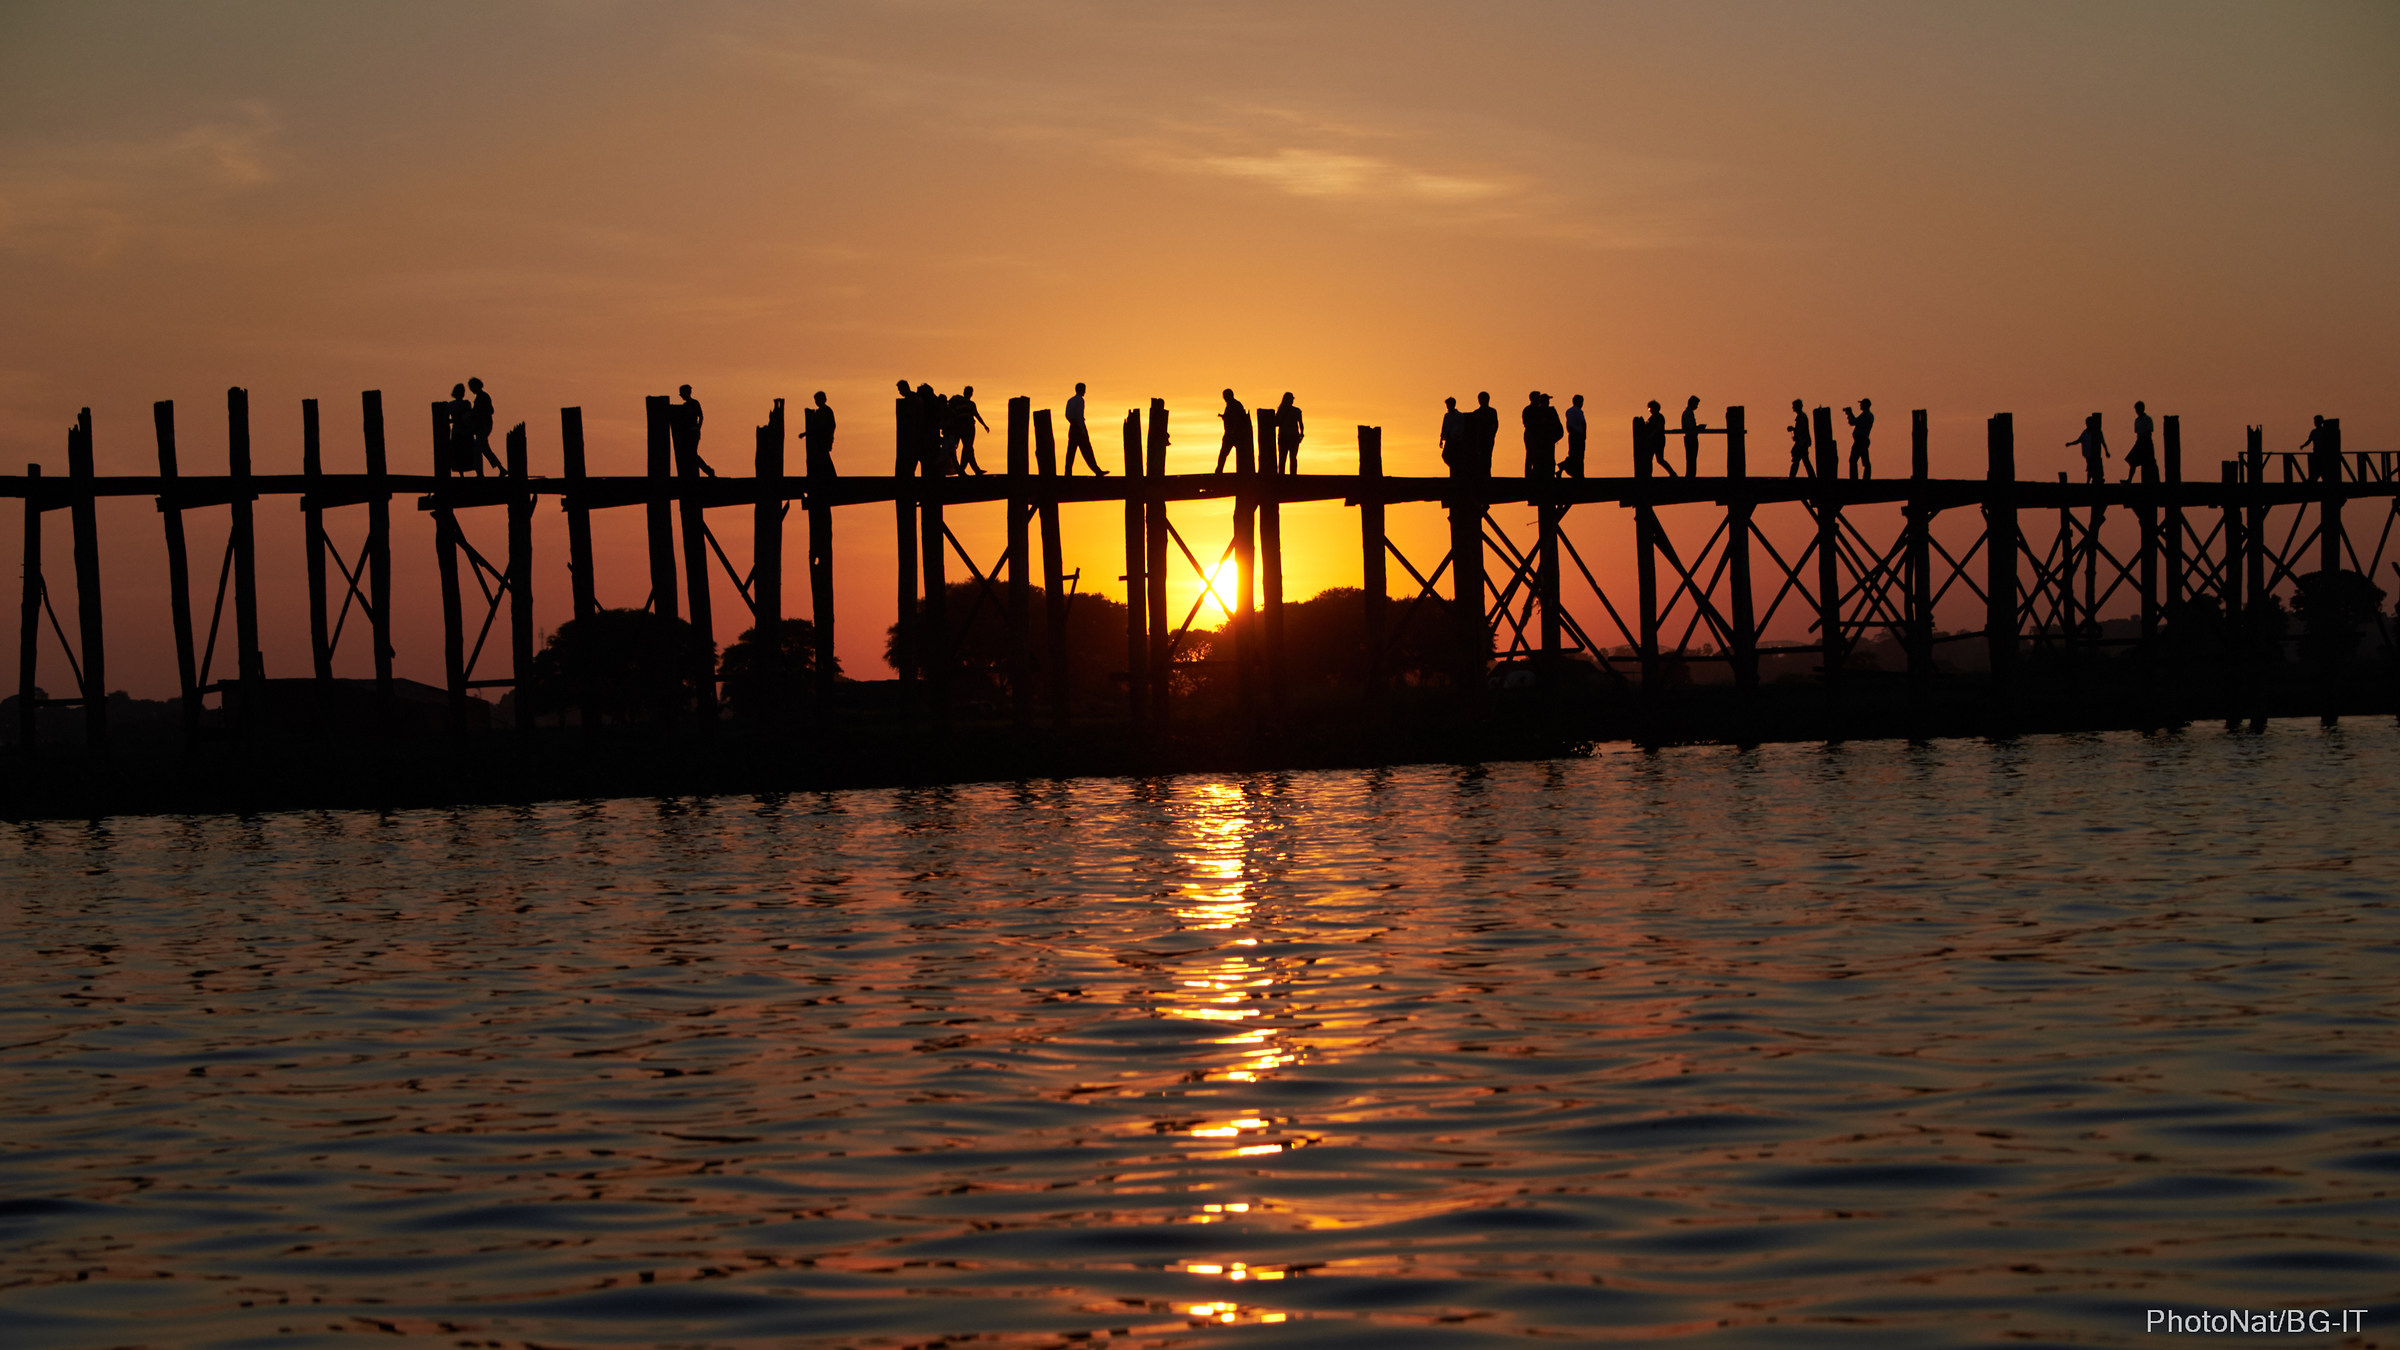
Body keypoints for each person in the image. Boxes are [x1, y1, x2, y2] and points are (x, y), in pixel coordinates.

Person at [671, 383, 714, 476]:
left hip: (693, 433)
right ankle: (699, 472)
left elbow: (701, 416)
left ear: (687, 393)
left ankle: (708, 470)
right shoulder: (685, 406)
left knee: (691, 454)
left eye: (682, 393)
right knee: (689, 454)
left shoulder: (694, 403)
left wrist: (698, 428)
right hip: (687, 433)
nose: (681, 395)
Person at [1065, 381, 1106, 476]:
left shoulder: (1070, 400)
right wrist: (1082, 430)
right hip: (1079, 427)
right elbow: (1079, 415)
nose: (1085, 391)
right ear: (1081, 390)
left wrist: (1073, 423)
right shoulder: (1080, 400)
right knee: (1087, 450)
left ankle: (1067, 473)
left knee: (1071, 451)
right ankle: (1097, 471)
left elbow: (1067, 415)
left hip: (1072, 427)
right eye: (1084, 389)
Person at [951, 386, 992, 476]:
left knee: (967, 448)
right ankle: (966, 469)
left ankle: (966, 469)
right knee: (968, 448)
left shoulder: (957, 404)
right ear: (971, 394)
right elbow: (976, 415)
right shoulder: (971, 404)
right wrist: (984, 425)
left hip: (960, 428)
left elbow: (954, 417)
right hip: (969, 428)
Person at [467, 377, 503, 474]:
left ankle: (480, 473)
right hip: (482, 426)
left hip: (484, 426)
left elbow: (491, 410)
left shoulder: (483, 397)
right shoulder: (481, 397)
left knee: (477, 448)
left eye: (471, 387)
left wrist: (477, 413)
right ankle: (501, 469)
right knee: (485, 450)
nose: (471, 389)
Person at [1214, 389, 1252, 473]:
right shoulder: (1234, 405)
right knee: (1226, 453)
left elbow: (1236, 419)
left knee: (1224, 453)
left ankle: (1220, 470)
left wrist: (1226, 418)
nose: (1224, 398)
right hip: (1233, 434)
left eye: (1225, 396)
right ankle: (1220, 470)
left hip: (1233, 434)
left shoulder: (1234, 405)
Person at [444, 383, 477, 474]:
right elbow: (471, 417)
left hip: (457, 432)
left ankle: (461, 474)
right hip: (466, 432)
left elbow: (446, 419)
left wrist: (455, 420)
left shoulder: (450, 405)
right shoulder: (466, 403)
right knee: (468, 453)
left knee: (458, 454)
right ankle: (477, 472)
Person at [2067, 413, 2107, 484]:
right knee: (2090, 468)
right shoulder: (2085, 433)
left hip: (2095, 454)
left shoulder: (2097, 433)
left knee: (2092, 468)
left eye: (2089, 423)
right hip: (2088, 454)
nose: (2088, 424)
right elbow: (2078, 440)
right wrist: (2070, 444)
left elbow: (2102, 442)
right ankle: (2090, 481)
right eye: (2087, 423)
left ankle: (2091, 481)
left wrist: (2106, 451)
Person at [1465, 392, 1499, 478]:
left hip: (1488, 437)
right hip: (1479, 438)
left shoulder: (1492, 411)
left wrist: (1492, 434)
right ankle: (1480, 473)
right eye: (1481, 399)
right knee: (1479, 456)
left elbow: (1495, 424)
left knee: (1488, 455)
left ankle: (1487, 473)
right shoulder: (1476, 413)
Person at [805, 391, 837, 477]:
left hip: (823, 440)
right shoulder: (819, 412)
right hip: (819, 440)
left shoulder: (826, 411)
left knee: (823, 458)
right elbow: (814, 426)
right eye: (815, 400)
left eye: (818, 399)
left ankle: (831, 476)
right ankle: (817, 475)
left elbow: (830, 426)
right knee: (820, 458)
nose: (816, 402)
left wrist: (829, 438)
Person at [2124, 400, 2156, 483]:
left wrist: (2143, 441)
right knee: (2132, 460)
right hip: (2139, 442)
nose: (2137, 411)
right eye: (2136, 409)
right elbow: (2137, 433)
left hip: (2146, 443)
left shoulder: (2148, 419)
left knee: (2149, 463)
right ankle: (2129, 479)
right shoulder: (2137, 420)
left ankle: (2150, 480)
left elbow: (2149, 432)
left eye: (2138, 409)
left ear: (2142, 409)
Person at [1844, 397, 1874, 480]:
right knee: (1865, 460)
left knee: (1853, 460)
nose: (1860, 405)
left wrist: (1849, 413)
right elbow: (1854, 422)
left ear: (1865, 405)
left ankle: (1854, 478)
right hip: (1863, 440)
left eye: (1861, 404)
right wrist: (1850, 414)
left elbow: (1853, 422)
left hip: (1860, 441)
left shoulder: (1865, 414)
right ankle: (1866, 478)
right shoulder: (1869, 415)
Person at [1276, 392, 1304, 474]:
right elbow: (1301, 424)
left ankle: (1281, 475)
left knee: (1282, 458)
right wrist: (1301, 434)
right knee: (1293, 458)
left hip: (1283, 437)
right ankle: (1293, 475)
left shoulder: (1281, 410)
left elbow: (1276, 422)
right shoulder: (1297, 411)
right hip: (1293, 437)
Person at [1641, 400, 1669, 475]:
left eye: (1650, 408)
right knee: (1649, 458)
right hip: (1653, 441)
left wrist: (1651, 435)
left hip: (1658, 441)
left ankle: (1672, 473)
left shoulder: (1659, 417)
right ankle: (1648, 474)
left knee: (1659, 459)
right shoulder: (1652, 417)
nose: (1649, 410)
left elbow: (1658, 428)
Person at [1563, 394, 1587, 479]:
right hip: (1578, 435)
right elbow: (1583, 423)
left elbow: (1569, 425)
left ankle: (1575, 471)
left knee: (1573, 454)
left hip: (1572, 435)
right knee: (1579, 455)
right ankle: (1578, 473)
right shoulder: (1579, 412)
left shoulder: (1568, 411)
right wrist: (1584, 435)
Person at [1680, 396, 1705, 478]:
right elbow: (1689, 427)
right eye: (1696, 404)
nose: (1697, 406)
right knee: (1691, 458)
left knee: (1691, 458)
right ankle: (1691, 475)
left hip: (1691, 437)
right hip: (1691, 438)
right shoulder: (1688, 413)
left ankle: (1690, 475)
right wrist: (1698, 428)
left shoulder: (1687, 413)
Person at [1787, 399, 1812, 478]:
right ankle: (1812, 477)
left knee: (1797, 460)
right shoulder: (1802, 416)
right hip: (1803, 442)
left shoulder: (1801, 417)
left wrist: (1793, 429)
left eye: (1794, 406)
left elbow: (1801, 430)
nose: (1792, 407)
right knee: (1804, 460)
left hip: (1802, 442)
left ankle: (1792, 477)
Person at [1438, 397, 1462, 471]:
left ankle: (1455, 469)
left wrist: (1458, 436)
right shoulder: (1447, 416)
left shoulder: (1459, 415)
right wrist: (1441, 439)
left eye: (1449, 404)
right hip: (1448, 439)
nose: (1448, 406)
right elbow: (1444, 427)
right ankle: (1454, 468)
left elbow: (1461, 427)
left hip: (1456, 439)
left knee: (1454, 456)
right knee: (1445, 456)